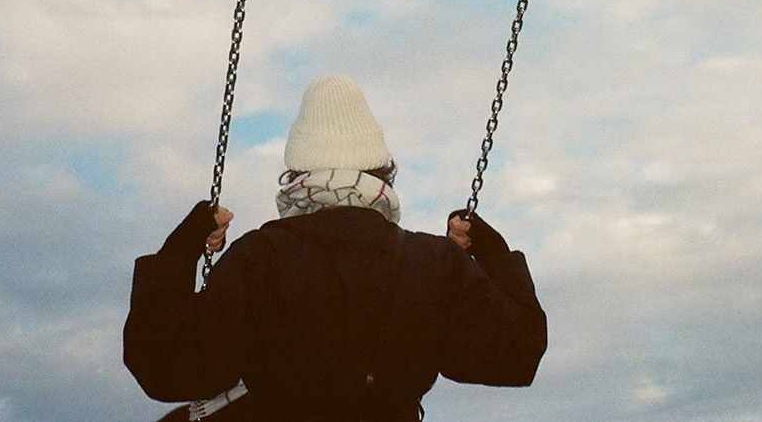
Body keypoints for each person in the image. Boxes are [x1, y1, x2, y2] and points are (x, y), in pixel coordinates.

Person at [124, 73, 547, 421]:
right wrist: (491, 254)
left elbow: (167, 367)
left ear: (297, 173)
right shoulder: (433, 262)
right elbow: (516, 356)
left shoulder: (259, 257)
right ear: (382, 173)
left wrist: (180, 252)